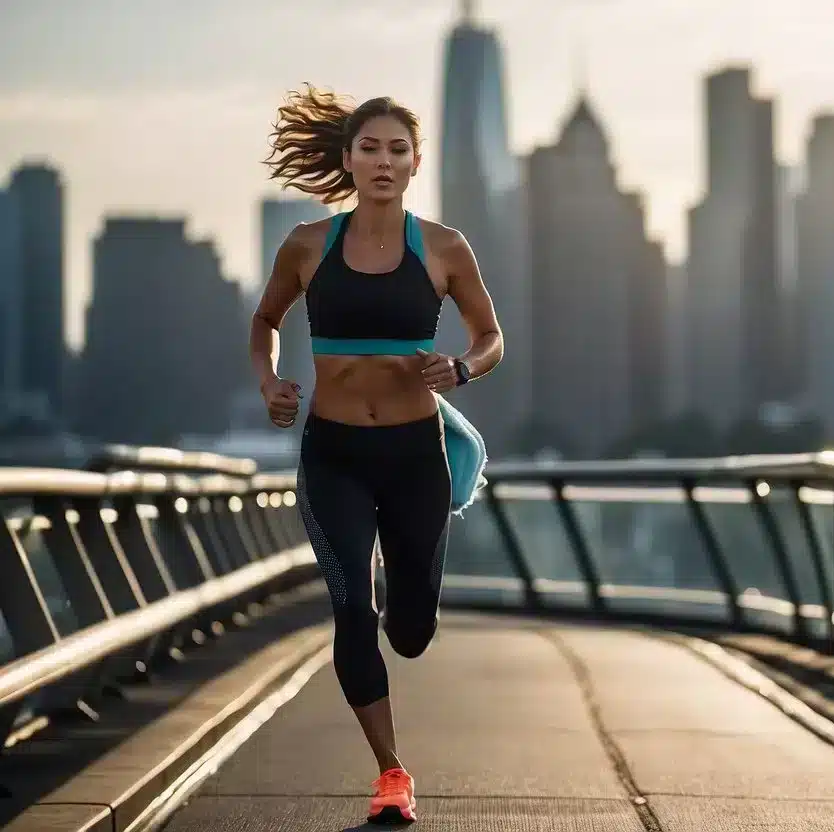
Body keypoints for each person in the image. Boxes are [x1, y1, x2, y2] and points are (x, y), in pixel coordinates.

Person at [249, 84, 502, 825]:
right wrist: (268, 381)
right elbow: (264, 319)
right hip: (333, 455)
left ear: (415, 162)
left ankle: (403, 586)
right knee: (352, 610)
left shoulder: (446, 247)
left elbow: (491, 337)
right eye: (370, 147)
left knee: (410, 632)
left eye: (397, 149)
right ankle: (392, 772)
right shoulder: (306, 245)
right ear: (349, 159)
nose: (383, 160)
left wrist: (461, 366)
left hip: (413, 456)